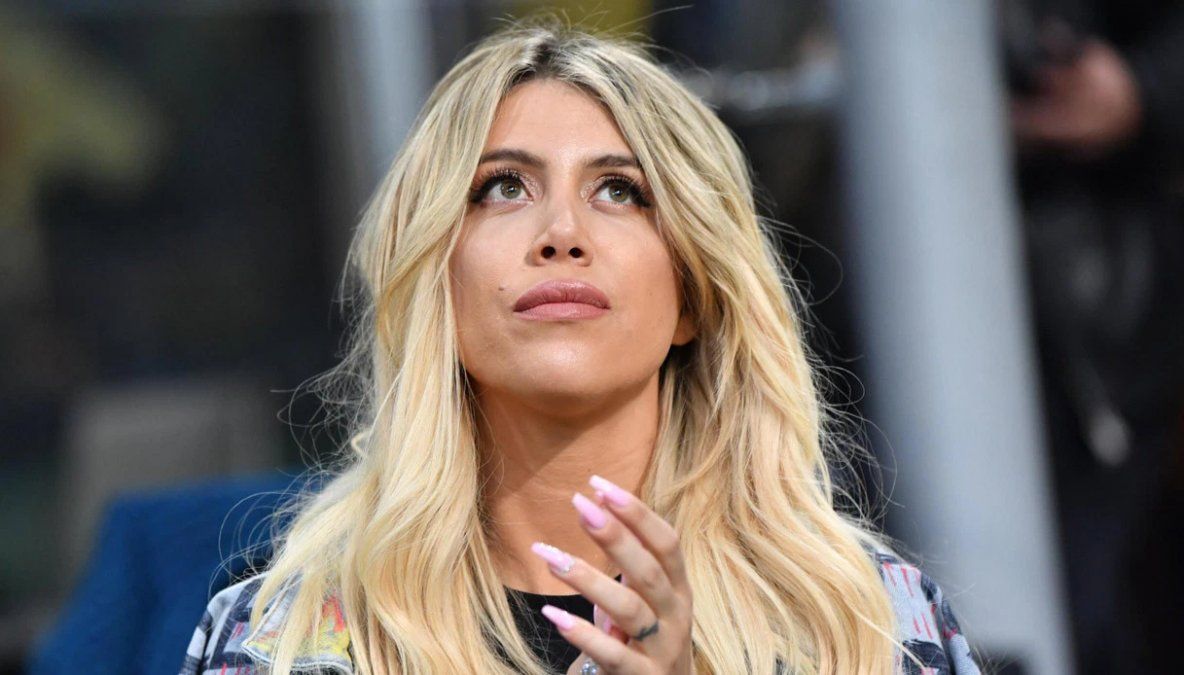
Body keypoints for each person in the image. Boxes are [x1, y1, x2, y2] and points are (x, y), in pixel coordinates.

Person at [179, 21, 980, 675]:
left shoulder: (870, 623)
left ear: (693, 294)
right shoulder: (287, 633)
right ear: (436, 279)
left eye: (619, 191)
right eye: (503, 187)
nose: (562, 233)